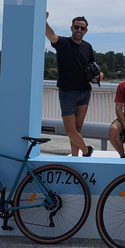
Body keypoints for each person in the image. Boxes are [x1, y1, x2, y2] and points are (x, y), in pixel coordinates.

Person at [45, 12, 103, 157]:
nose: (79, 30)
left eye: (82, 28)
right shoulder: (63, 43)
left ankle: (75, 157)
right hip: (68, 92)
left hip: (84, 91)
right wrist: (43, 21)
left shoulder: (88, 47)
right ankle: (86, 151)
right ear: (71, 28)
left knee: (77, 129)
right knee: (70, 130)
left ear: (86, 31)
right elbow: (51, 35)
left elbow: (92, 67)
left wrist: (99, 76)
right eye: (76, 27)